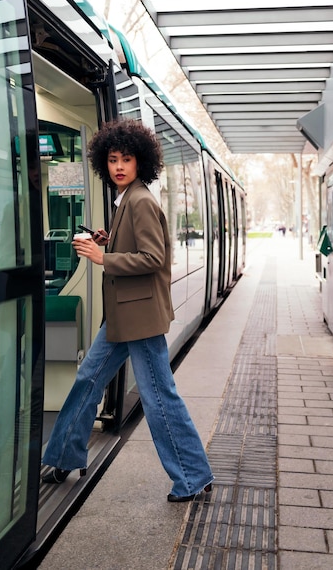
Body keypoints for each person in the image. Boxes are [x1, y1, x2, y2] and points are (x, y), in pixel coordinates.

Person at [42, 119, 213, 502]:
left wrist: (104, 257)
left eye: (127, 159)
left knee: (158, 396)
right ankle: (64, 455)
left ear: (141, 162)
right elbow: (134, 247)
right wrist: (110, 240)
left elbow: (153, 257)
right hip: (124, 315)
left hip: (139, 318)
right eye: (113, 159)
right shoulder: (127, 199)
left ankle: (192, 475)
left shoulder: (140, 201)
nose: (119, 166)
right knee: (89, 378)